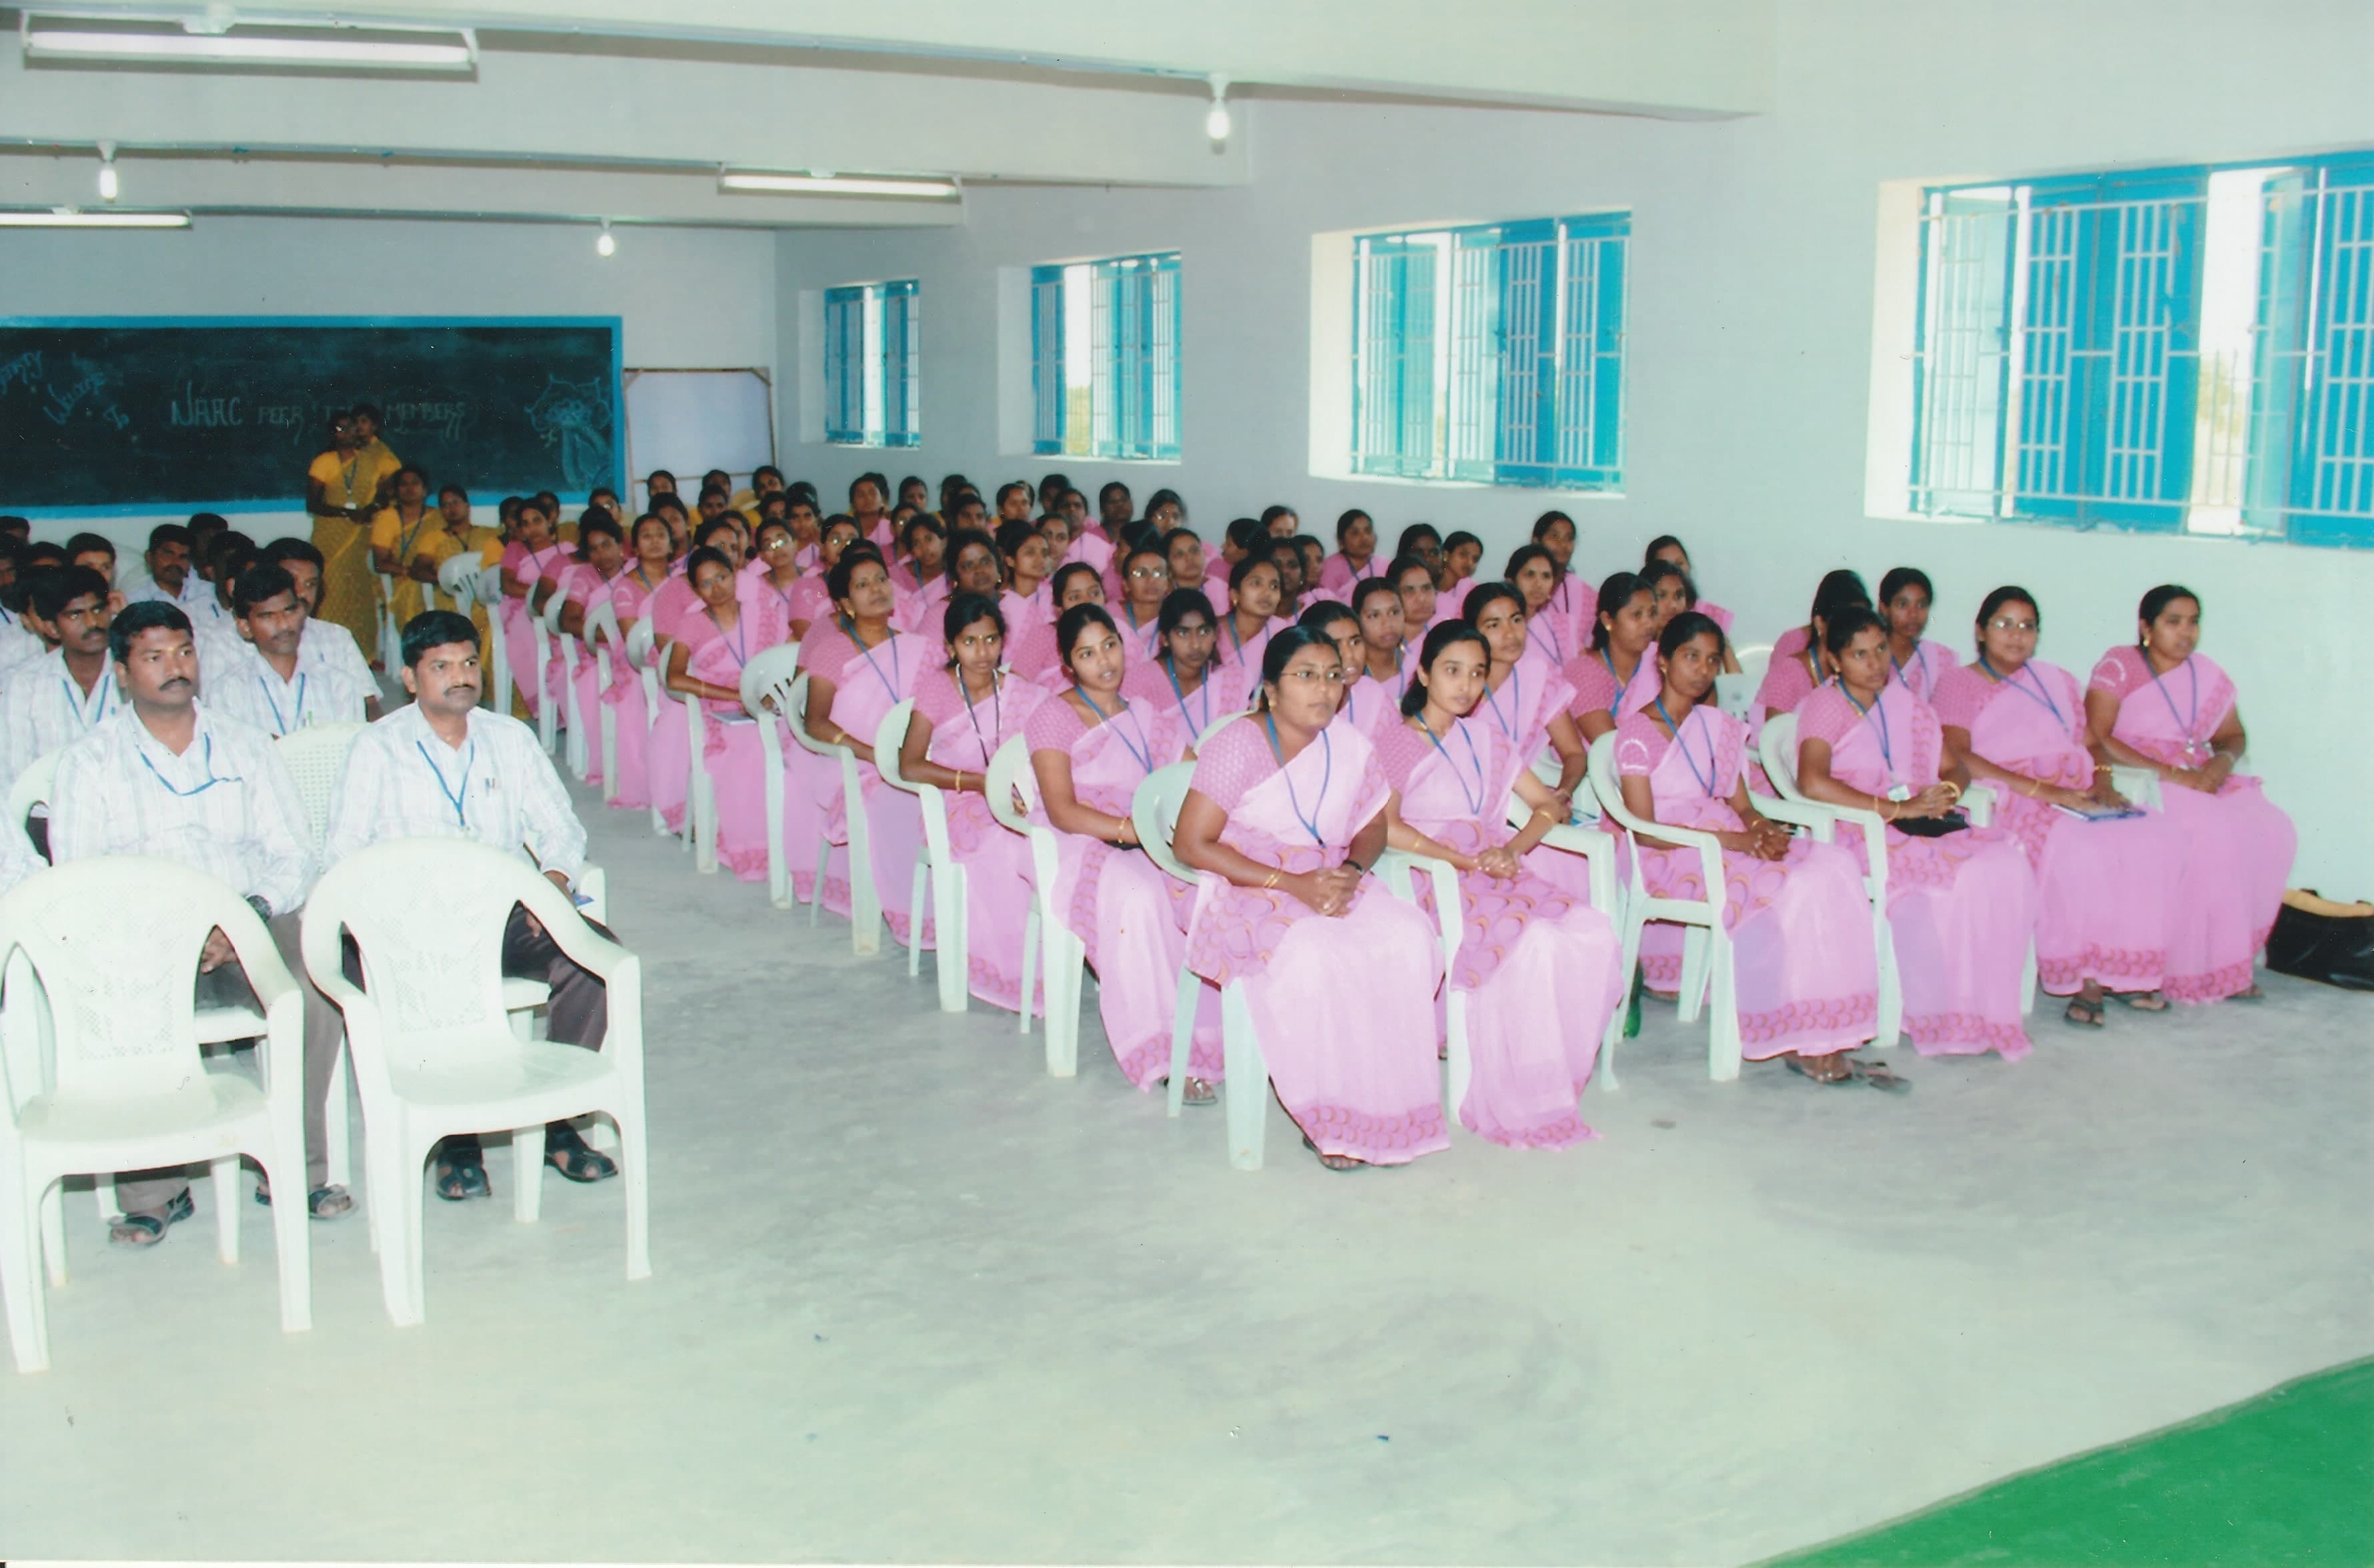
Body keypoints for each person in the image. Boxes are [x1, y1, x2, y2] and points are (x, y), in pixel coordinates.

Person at [50, 601, 348, 1240]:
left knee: (312, 987)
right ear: (122, 672)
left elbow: (294, 853)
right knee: (120, 998)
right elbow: (82, 880)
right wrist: (174, 932)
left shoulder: (245, 744)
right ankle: (154, 1190)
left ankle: (293, 1168)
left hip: (247, 919)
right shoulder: (89, 761)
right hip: (142, 934)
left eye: (184, 651)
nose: (175, 667)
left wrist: (242, 919)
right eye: (154, 657)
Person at [322, 610, 617, 1201]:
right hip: (412, 923)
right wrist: (394, 917)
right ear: (410, 678)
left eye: (467, 663)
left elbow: (561, 830)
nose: (460, 677)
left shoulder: (510, 738)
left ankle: (557, 1121)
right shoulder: (376, 748)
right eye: (441, 667)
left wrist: (552, 883)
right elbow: (343, 854)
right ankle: (458, 1142)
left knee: (594, 958)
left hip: (500, 914)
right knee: (430, 982)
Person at [1174, 629, 1448, 1169]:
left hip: (1328, 873)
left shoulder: (1349, 745)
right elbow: (1191, 843)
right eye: (1306, 675)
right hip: (1247, 883)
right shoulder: (1238, 743)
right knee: (1319, 954)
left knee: (1409, 937)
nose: (1324, 689)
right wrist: (1290, 883)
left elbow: (1372, 825)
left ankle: (1386, 1103)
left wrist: (1350, 870)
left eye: (1333, 676)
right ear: (1272, 690)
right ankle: (1330, 1114)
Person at [1615, 613, 1889, 1083]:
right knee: (1792, 888)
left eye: (1711, 660)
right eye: (1690, 657)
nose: (1702, 670)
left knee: (1834, 866)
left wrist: (1763, 830)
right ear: (1663, 661)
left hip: (1723, 837)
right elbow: (1644, 831)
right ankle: (1795, 1036)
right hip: (1669, 853)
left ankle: (1829, 1030)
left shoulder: (1717, 725)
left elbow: (1742, 806)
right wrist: (1737, 842)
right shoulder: (1637, 732)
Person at [1380, 621, 1624, 1144]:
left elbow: (1545, 806)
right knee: (1532, 941)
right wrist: (1457, 860)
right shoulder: (1400, 741)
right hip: (1431, 872)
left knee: (1587, 929)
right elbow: (1388, 827)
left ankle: (1546, 1074)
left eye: (1477, 673)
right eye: (1452, 671)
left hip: (1493, 866)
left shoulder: (1486, 738)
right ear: (1423, 673)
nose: (1466, 685)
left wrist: (1512, 850)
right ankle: (1523, 1089)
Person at [1796, 607, 2038, 1060]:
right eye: (1860, 655)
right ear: (1835, 661)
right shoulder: (1826, 705)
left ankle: (1982, 1010)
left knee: (2005, 863)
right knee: (1961, 880)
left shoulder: (1906, 705)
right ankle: (1944, 1015)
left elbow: (1955, 767)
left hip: (1918, 822)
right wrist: (1895, 809)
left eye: (1880, 650)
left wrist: (1948, 791)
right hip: (1861, 828)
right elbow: (1811, 781)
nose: (1875, 663)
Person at [1934, 588, 2179, 1027]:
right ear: (1981, 632)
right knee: (2080, 849)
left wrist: (2102, 781)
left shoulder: (2056, 681)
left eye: (2027, 626)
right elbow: (1959, 756)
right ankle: (2087, 978)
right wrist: (2046, 792)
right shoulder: (1958, 683)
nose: (2016, 635)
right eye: (2004, 624)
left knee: (2152, 835)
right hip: (2011, 800)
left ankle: (2125, 971)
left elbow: (2091, 743)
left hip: (2074, 792)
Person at [1025, 603, 1218, 1098]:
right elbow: (1062, 811)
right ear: (1068, 664)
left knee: (1205, 889)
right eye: (1087, 653)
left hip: (1146, 837)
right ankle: (1162, 1054)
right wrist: (1132, 831)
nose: (1104, 661)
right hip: (1082, 842)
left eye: (1109, 645)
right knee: (1140, 898)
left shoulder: (1143, 714)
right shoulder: (1052, 716)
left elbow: (1192, 774)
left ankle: (1211, 1039)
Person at [2084, 584, 2297, 1005]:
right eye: (2174, 622)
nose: (2186, 632)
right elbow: (2097, 735)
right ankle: (2190, 968)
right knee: (2212, 828)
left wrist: (2221, 764)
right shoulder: (2121, 665)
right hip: (2142, 776)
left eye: (2194, 622)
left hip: (2198, 773)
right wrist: (2174, 775)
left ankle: (2229, 961)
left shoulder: (2205, 673)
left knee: (2272, 828)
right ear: (2146, 627)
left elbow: (2234, 735)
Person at [895, 594, 1049, 1013]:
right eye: (970, 642)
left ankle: (1046, 966)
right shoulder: (937, 688)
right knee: (1007, 847)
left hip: (1014, 795)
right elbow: (909, 764)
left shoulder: (1019, 692)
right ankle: (1007, 973)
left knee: (1049, 839)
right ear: (950, 646)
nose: (982, 652)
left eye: (991, 640)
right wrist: (977, 783)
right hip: (957, 800)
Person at [795, 547, 933, 930]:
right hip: (853, 765)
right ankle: (913, 915)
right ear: (845, 603)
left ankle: (955, 910)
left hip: (908, 758)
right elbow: (815, 722)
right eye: (863, 585)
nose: (876, 589)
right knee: (899, 801)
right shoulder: (832, 650)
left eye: (881, 580)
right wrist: (874, 755)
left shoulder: (916, 647)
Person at [665, 546, 789, 882]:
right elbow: (674, 677)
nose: (717, 588)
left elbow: (789, 658)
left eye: (722, 577)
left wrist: (767, 694)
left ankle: (791, 847)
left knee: (797, 749)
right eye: (706, 583)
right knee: (750, 749)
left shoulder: (764, 614)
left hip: (770, 704)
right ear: (696, 589)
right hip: (721, 712)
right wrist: (735, 695)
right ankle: (754, 850)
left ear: (735, 576)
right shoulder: (692, 623)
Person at [0, 565, 119, 813]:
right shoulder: (24, 684)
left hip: (123, 816)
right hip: (46, 819)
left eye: (98, 610)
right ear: (52, 628)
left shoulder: (134, 674)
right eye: (75, 615)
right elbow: (13, 777)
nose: (92, 622)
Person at [208, 564, 375, 735]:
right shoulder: (228, 692)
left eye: (289, 611)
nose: (284, 625)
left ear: (301, 613)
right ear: (245, 628)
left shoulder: (338, 685)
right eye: (268, 616)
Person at [1465, 582, 1586, 807]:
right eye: (1494, 625)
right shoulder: (1461, 685)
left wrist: (1562, 794)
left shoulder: (1539, 678)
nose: (1510, 633)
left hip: (1530, 802)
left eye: (1516, 620)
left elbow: (1574, 753)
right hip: (1468, 802)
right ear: (1474, 632)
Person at [256, 539, 382, 722]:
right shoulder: (239, 641)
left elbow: (368, 703)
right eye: (293, 582)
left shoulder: (337, 637)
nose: (302, 593)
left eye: (311, 584)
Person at [301, 409, 392, 653]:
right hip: (331, 537)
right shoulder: (324, 462)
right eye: (340, 429)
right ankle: (327, 651)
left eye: (351, 427)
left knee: (360, 592)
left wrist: (370, 509)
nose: (347, 433)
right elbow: (313, 503)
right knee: (332, 590)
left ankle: (363, 653)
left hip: (360, 535)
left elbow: (385, 493)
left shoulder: (371, 461)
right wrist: (346, 513)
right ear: (333, 433)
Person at [1750, 569, 1872, 750]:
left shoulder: (1853, 671)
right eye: (1843, 624)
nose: (1852, 634)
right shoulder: (1790, 672)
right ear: (1820, 623)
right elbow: (1776, 745)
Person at [1123, 589, 1250, 739]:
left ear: (1215, 634)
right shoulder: (1139, 681)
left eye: (1204, 632)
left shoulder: (1230, 681)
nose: (1196, 644)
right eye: (1183, 633)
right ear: (1165, 639)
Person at [1564, 572, 1661, 744]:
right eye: (1637, 615)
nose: (1649, 623)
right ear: (1608, 620)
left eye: (1652, 613)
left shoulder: (1659, 660)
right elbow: (1607, 746)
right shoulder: (1583, 672)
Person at [368, 466, 442, 630]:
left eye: (415, 483)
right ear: (396, 491)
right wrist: (411, 572)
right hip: (402, 580)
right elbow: (380, 564)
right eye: (403, 484)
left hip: (436, 578)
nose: (410, 488)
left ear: (425, 489)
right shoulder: (387, 518)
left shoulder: (438, 516)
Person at [1009, 562, 1104, 687]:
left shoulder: (1118, 631)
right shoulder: (1044, 636)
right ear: (1058, 607)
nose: (1087, 602)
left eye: (1094, 593)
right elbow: (1016, 686)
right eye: (1075, 597)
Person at [1878, 567, 1958, 703]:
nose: (1913, 614)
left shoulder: (1942, 659)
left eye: (1921, 605)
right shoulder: (1871, 657)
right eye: (1903, 605)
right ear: (1884, 608)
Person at [1643, 535, 1734, 634]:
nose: (1674, 570)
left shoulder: (1710, 616)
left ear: (1688, 565)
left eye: (1679, 563)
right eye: (1665, 565)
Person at [1529, 511, 1589, 662]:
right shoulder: (1518, 588)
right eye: (1555, 536)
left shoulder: (1587, 596)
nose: (1562, 544)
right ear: (1536, 541)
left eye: (1569, 538)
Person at [1214, 554, 1290, 674]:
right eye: (1256, 583)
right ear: (1235, 594)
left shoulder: (1282, 634)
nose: (1267, 593)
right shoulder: (1213, 631)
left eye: (1274, 586)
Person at [1503, 544, 1575, 667]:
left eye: (1546, 576)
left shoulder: (1561, 626)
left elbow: (1572, 671)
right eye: (1530, 574)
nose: (1538, 584)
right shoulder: (1498, 625)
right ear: (1511, 582)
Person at [1114, 542, 1172, 660]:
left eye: (1159, 573)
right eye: (1140, 573)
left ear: (1168, 583)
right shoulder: (1110, 616)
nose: (1151, 580)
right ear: (1126, 584)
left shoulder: (1177, 618)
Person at [123, 523, 194, 606]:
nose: (176, 562)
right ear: (149, 558)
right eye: (168, 554)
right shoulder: (133, 602)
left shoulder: (204, 593)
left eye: (183, 557)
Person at [1318, 508, 1378, 597]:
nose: (1364, 538)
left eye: (1368, 531)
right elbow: (1327, 603)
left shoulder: (1383, 564)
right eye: (1355, 533)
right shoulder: (1330, 568)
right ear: (1341, 540)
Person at [1438, 531, 1483, 600]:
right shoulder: (1427, 581)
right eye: (1463, 555)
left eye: (1475, 559)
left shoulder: (1473, 594)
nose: (1470, 563)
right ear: (1446, 555)